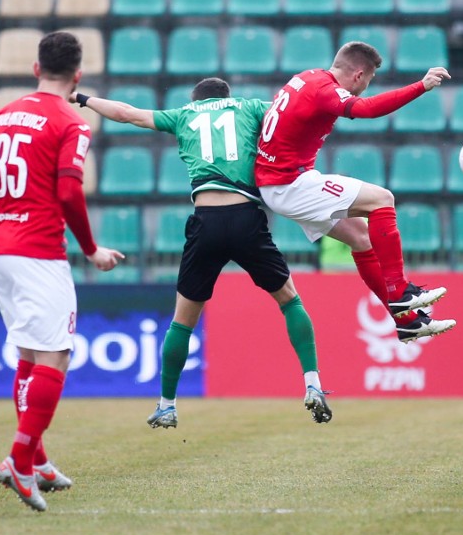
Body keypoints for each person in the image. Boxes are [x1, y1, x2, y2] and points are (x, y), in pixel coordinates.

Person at [72, 77, 332, 428]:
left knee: (183, 321)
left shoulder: (185, 114)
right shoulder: (250, 107)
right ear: (227, 96)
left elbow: (125, 113)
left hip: (206, 220)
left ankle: (166, 405)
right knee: (289, 301)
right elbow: (292, 117)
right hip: (246, 217)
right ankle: (312, 383)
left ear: (196, 99)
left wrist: (83, 98)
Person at [0, 31, 124, 512]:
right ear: (78, 76)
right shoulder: (71, 121)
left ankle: (38, 458)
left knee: (29, 354)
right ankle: (20, 461)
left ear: (34, 68)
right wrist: (91, 250)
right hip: (37, 252)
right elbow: (68, 194)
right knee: (55, 357)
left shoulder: (2, 115)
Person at [255, 42, 457, 341]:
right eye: (369, 80)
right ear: (359, 75)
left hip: (279, 183)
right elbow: (368, 109)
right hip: (290, 183)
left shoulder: (306, 77)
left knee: (362, 238)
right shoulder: (325, 90)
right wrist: (421, 86)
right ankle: (400, 291)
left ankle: (406, 322)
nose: (365, 87)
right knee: (382, 199)